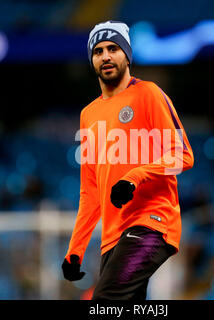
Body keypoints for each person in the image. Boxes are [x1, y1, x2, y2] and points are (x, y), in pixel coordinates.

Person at [62, 20, 194, 300]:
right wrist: (75, 250)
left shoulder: (149, 94)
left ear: (127, 54)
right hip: (113, 237)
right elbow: (91, 192)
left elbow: (183, 157)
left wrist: (135, 177)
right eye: (98, 51)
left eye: (113, 48)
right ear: (92, 60)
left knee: (105, 301)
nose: (106, 56)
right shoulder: (88, 115)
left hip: (153, 223)